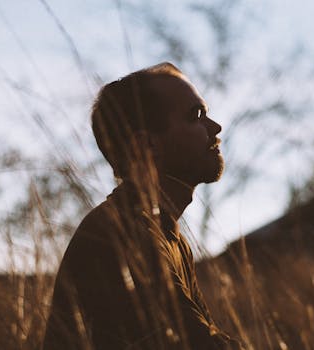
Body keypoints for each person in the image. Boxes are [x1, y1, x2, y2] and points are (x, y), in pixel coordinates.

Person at [42, 63, 242, 349]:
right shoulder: (123, 234)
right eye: (196, 116)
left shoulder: (168, 235)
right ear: (145, 147)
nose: (215, 127)